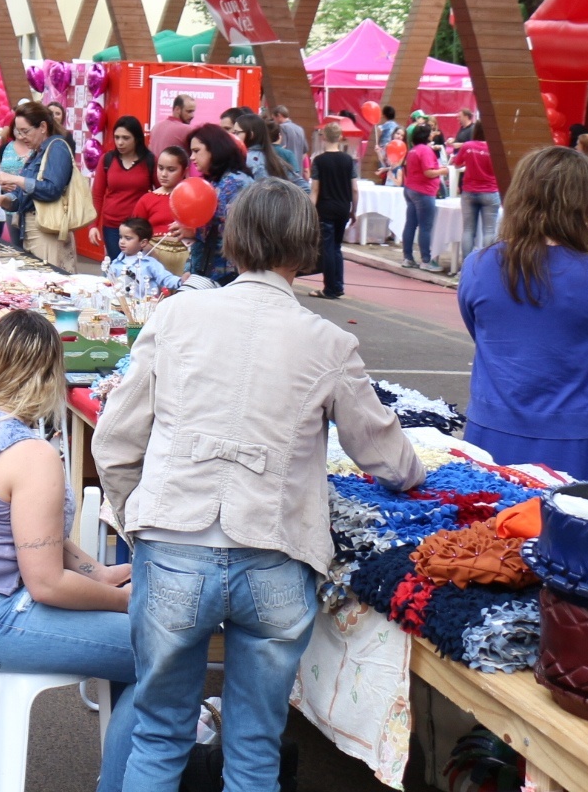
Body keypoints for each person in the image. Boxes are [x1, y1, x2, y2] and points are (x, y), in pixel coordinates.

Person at [95, 179, 423, 792]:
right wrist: (415, 474)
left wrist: (140, 517)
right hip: (275, 556)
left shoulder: (177, 314)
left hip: (174, 546)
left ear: (233, 240)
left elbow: (115, 441)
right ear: (304, 250)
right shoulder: (329, 342)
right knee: (254, 747)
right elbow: (385, 455)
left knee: (160, 734)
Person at [0, 312, 136, 765]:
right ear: (49, 374)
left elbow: (30, 534)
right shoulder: (28, 453)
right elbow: (47, 584)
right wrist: (126, 600)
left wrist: (102, 574)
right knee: (165, 650)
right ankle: (128, 779)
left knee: (142, 642)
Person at [458, 145, 588, 480]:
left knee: (493, 529)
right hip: (581, 428)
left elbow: (481, 334)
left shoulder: (478, 265)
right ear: (581, 201)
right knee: (585, 526)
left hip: (497, 423)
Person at [0, 103, 79, 270]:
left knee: (51, 285)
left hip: (48, 232)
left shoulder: (57, 147)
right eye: (18, 132)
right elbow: (25, 195)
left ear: (43, 127)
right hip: (33, 229)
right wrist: (4, 199)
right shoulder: (38, 152)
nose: (21, 136)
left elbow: (52, 189)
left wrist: (16, 179)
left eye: (25, 131)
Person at [181, 124, 252, 284]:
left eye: (196, 151)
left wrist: (193, 231)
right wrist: (189, 269)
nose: (192, 157)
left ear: (214, 149)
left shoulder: (235, 183)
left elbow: (233, 233)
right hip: (208, 271)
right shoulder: (214, 181)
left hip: (228, 275)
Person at [89, 116, 157, 261]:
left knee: (138, 269)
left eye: (126, 138)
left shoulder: (150, 160)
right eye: (117, 137)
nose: (120, 142)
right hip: (112, 227)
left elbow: (160, 193)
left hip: (139, 228)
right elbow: (97, 195)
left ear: (137, 139)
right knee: (116, 267)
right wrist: (93, 225)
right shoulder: (107, 160)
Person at [309, 122, 356, 299]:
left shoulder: (319, 161)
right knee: (337, 247)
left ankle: (329, 288)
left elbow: (315, 190)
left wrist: (309, 210)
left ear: (324, 137)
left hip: (325, 208)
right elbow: (355, 189)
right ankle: (338, 285)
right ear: (340, 137)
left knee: (327, 248)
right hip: (343, 207)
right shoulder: (348, 160)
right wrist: (354, 210)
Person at [399, 125, 446, 271]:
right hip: (423, 191)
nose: (433, 134)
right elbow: (428, 172)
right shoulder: (425, 150)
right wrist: (444, 170)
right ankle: (426, 260)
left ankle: (408, 257)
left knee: (411, 224)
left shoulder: (412, 150)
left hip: (411, 188)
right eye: (431, 132)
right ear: (426, 136)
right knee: (425, 227)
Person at [453, 122, 500, 260]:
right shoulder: (494, 148)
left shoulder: (467, 146)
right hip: (490, 192)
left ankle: (466, 266)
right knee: (489, 231)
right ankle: (486, 264)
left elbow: (457, 163)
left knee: (468, 230)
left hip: (469, 191)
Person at [105, 217, 181, 292]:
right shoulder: (116, 263)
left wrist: (181, 282)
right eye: (120, 237)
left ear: (143, 243)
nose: (122, 241)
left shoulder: (150, 263)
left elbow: (165, 278)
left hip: (145, 303)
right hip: (121, 303)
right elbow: (109, 284)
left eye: (128, 238)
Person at [147, 94, 197, 168]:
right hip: (177, 177)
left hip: (155, 175)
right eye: (189, 111)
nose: (192, 115)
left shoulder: (155, 127)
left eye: (193, 111)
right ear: (177, 109)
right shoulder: (188, 130)